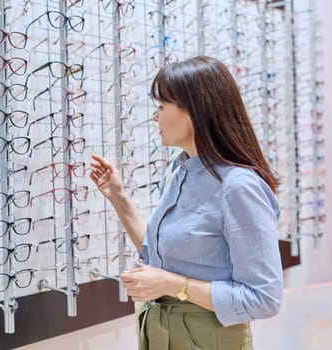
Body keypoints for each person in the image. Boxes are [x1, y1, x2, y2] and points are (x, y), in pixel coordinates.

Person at [89, 55, 283, 350]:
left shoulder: (239, 187)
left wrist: (173, 285)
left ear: (193, 111)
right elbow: (161, 257)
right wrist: (118, 197)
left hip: (207, 340)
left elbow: (264, 298)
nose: (155, 117)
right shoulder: (178, 171)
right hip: (158, 334)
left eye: (162, 107)